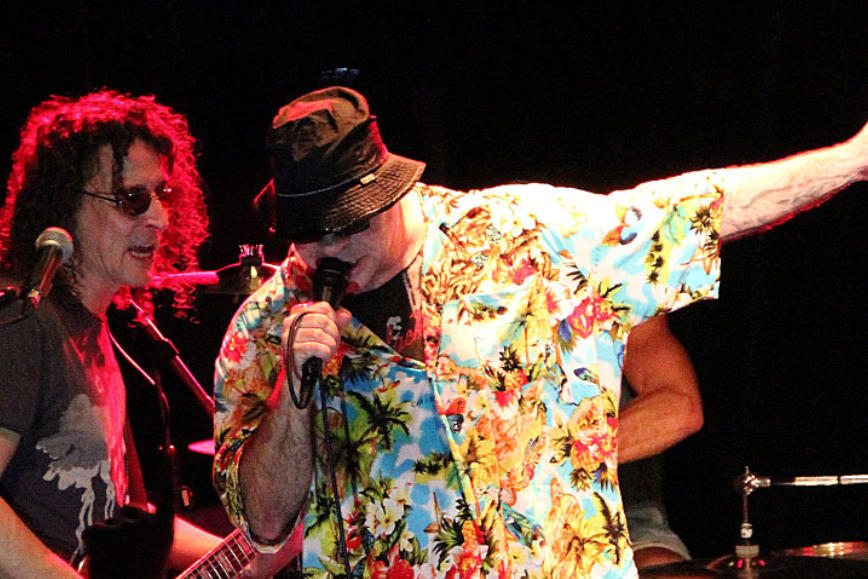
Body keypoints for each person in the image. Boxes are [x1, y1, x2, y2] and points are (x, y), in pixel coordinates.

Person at [213, 85, 868, 578]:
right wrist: (292, 395)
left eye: (349, 222)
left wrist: (850, 160)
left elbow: (699, 210)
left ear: (389, 191)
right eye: (309, 231)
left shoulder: (522, 236)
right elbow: (262, 523)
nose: (329, 248)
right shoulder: (266, 328)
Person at [0, 90, 220, 577]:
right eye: (132, 199)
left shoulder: (98, 332)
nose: (159, 218)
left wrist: (250, 553)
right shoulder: (24, 324)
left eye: (161, 196)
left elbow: (126, 513)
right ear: (66, 204)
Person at [619, 315, 700, 569]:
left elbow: (680, 406)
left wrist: (563, 455)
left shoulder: (610, 291)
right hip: (512, 519)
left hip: (623, 516)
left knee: (665, 568)